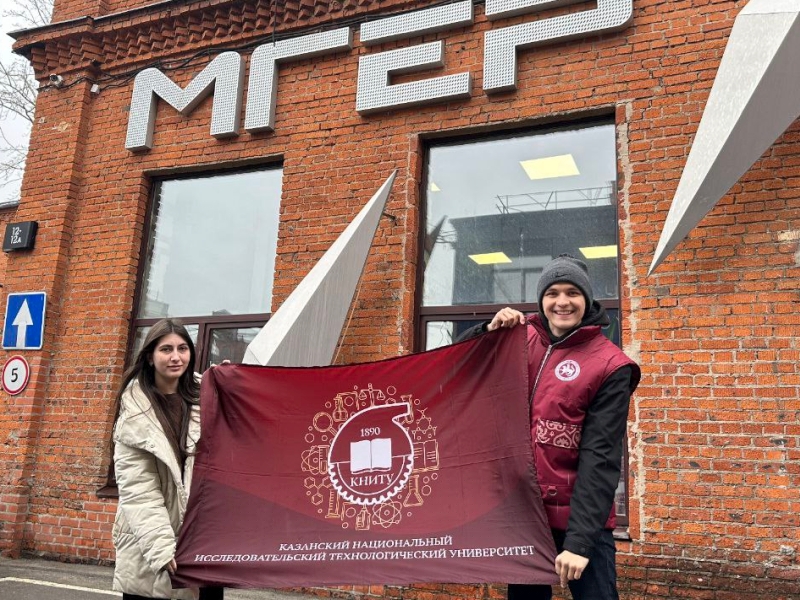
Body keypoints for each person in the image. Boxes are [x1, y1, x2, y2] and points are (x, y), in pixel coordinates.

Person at [460, 254, 640, 600]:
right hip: (526, 516)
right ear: (542, 299)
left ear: (586, 299)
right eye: (552, 293)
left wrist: (579, 542)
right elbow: (456, 362)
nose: (562, 302)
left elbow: (600, 458)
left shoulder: (611, 366)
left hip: (581, 521)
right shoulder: (517, 338)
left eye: (572, 292)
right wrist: (486, 332)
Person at [111, 318, 224, 600]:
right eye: (166, 349)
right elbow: (138, 489)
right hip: (151, 547)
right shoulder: (134, 413)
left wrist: (230, 384)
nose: (176, 357)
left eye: (182, 348)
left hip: (202, 545)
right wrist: (160, 548)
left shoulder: (208, 398)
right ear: (150, 356)